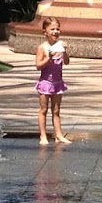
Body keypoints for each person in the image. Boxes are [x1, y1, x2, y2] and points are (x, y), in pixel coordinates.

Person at [35, 17, 71, 145]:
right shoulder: (42, 47)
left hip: (58, 83)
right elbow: (38, 65)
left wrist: (65, 51)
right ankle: (43, 135)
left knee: (56, 111)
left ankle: (59, 134)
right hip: (45, 83)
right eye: (52, 29)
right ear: (45, 32)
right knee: (43, 110)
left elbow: (66, 62)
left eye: (57, 29)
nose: (55, 31)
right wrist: (48, 58)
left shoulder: (60, 46)